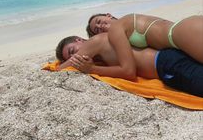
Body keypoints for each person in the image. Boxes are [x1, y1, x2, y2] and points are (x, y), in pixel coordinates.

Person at [55, 33, 203, 97]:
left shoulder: (96, 41)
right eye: (71, 56)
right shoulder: (101, 53)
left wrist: (91, 69)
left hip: (167, 64)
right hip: (167, 63)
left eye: (73, 51)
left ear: (79, 39)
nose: (75, 58)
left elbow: (62, 69)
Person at [86, 14, 203, 73]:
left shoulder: (116, 28)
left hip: (183, 35)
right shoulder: (128, 21)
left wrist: (92, 68)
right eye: (97, 30)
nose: (100, 26)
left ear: (108, 15)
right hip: (188, 27)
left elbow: (128, 69)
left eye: (99, 21)